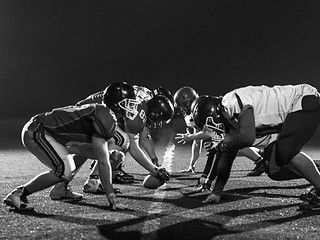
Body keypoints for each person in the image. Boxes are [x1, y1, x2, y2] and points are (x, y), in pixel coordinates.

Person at [179, 84, 320, 210]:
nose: (212, 132)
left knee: (285, 152)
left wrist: (223, 144)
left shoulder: (230, 102)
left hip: (302, 101)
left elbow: (248, 137)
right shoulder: (228, 120)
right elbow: (226, 158)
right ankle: (316, 171)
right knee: (274, 170)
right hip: (281, 122)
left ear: (213, 114)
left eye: (210, 127)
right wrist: (217, 192)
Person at [65, 84, 175, 194]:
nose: (158, 124)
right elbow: (133, 147)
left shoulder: (144, 102)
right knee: (122, 140)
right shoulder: (139, 110)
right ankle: (94, 180)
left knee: (87, 148)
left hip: (87, 112)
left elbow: (142, 136)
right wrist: (154, 170)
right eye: (160, 119)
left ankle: (62, 184)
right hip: (89, 113)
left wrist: (154, 161)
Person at [174, 86, 266, 176]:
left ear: (188, 101)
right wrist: (192, 165)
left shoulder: (202, 109)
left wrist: (190, 137)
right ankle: (260, 154)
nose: (182, 110)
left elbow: (209, 133)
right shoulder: (198, 108)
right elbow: (198, 142)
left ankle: (261, 162)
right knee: (225, 147)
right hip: (230, 125)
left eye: (183, 106)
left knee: (232, 144)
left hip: (239, 120)